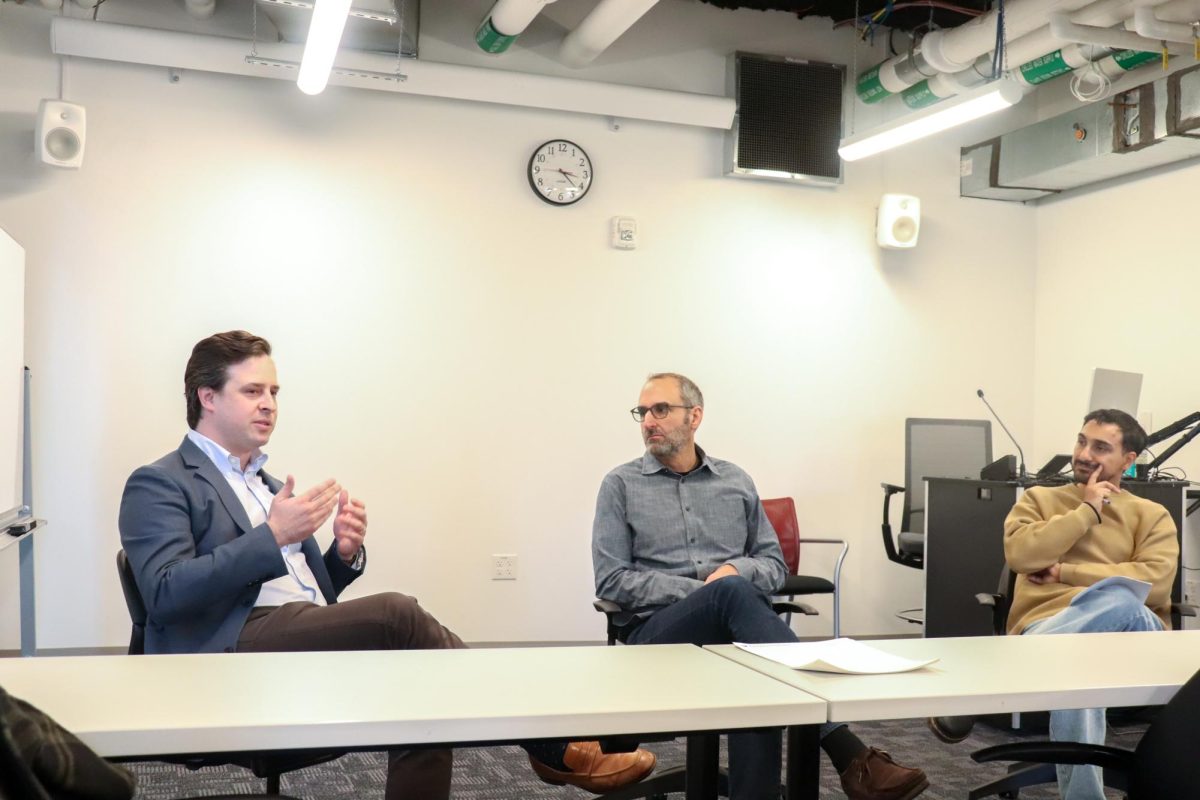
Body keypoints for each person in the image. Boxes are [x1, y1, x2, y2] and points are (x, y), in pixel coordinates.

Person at [118, 330, 655, 800]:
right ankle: (553, 745)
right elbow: (165, 593)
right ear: (206, 397)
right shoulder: (162, 480)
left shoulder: (262, 481)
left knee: (427, 694)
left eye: (275, 392)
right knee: (399, 614)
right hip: (223, 654)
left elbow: (304, 596)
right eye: (252, 391)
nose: (269, 405)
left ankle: (552, 744)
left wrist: (341, 557)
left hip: (280, 641)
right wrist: (274, 536)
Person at [591, 372, 930, 800]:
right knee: (735, 606)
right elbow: (612, 581)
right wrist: (708, 592)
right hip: (657, 637)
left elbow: (772, 565)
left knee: (756, 669)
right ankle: (851, 755)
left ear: (694, 417)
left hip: (737, 640)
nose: (648, 421)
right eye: (643, 412)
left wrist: (735, 573)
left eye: (661, 409)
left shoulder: (734, 481)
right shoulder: (620, 485)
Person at [1002, 408, 1177, 800]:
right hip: (1051, 628)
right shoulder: (1040, 499)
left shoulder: (1152, 515)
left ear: (1128, 460)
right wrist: (1087, 511)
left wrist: (1065, 572)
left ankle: (1012, 666)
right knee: (1077, 662)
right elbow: (1021, 555)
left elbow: (1155, 586)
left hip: (1136, 640)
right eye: (1082, 441)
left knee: (1121, 598)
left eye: (1100, 447)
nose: (1084, 454)